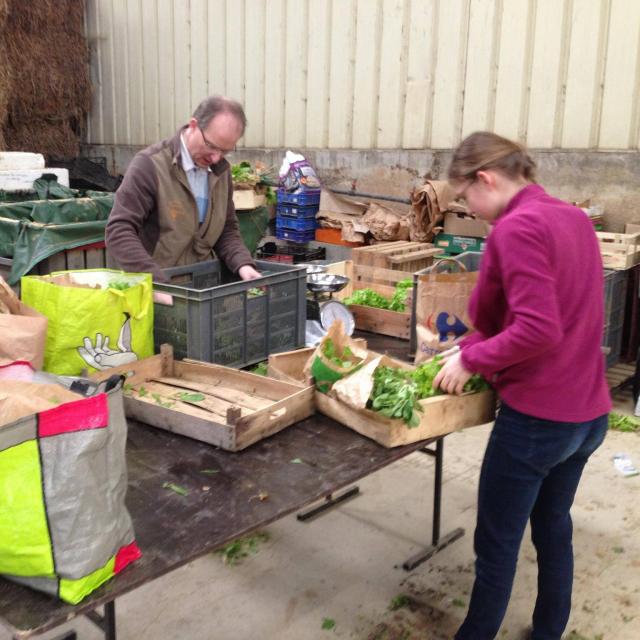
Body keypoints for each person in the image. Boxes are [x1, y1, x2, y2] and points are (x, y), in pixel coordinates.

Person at [433, 132, 611, 640]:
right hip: (588, 415)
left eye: (466, 197)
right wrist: (474, 344)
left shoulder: (517, 228)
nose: (470, 208)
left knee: (497, 546)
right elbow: (562, 310)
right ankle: (549, 630)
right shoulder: (573, 218)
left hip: (538, 421)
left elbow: (538, 327)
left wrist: (472, 358)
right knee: (553, 526)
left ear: (485, 179)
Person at [105, 95, 262, 283]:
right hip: (159, 288)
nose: (215, 158)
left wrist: (243, 264)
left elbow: (226, 229)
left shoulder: (221, 172)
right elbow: (119, 230)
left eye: (225, 151)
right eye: (211, 146)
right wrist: (155, 282)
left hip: (203, 288)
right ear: (193, 125)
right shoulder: (150, 166)